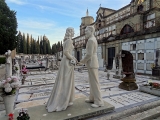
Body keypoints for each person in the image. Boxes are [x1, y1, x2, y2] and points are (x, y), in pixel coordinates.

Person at [46, 27, 77, 112]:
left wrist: (72, 57)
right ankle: (63, 101)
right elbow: (66, 52)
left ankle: (67, 99)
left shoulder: (66, 41)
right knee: (66, 82)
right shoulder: (69, 41)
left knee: (64, 81)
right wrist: (72, 58)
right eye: (73, 31)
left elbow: (66, 52)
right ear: (70, 32)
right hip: (67, 62)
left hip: (65, 61)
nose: (74, 32)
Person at [79, 26, 104, 108]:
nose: (85, 33)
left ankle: (99, 101)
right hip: (92, 63)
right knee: (92, 82)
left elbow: (89, 54)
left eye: (86, 31)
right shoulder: (93, 39)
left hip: (92, 62)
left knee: (95, 82)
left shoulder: (90, 40)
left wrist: (82, 61)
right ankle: (92, 98)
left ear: (91, 31)